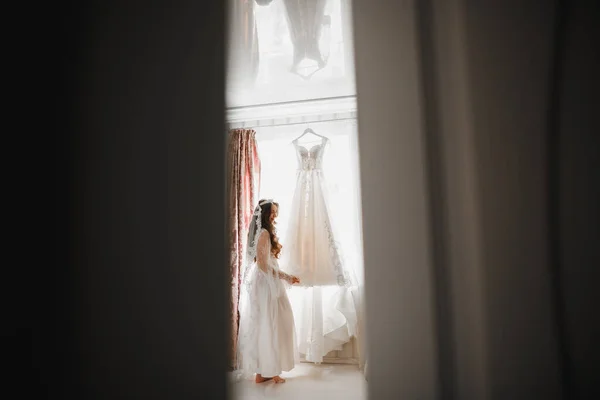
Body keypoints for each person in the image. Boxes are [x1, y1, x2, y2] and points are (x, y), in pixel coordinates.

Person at [236, 199, 300, 384]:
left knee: (269, 321)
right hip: (266, 282)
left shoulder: (263, 232)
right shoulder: (263, 233)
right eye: (271, 212)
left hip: (265, 281)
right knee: (271, 322)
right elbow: (263, 265)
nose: (274, 216)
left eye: (275, 212)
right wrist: (286, 276)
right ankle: (269, 370)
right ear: (263, 214)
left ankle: (263, 371)